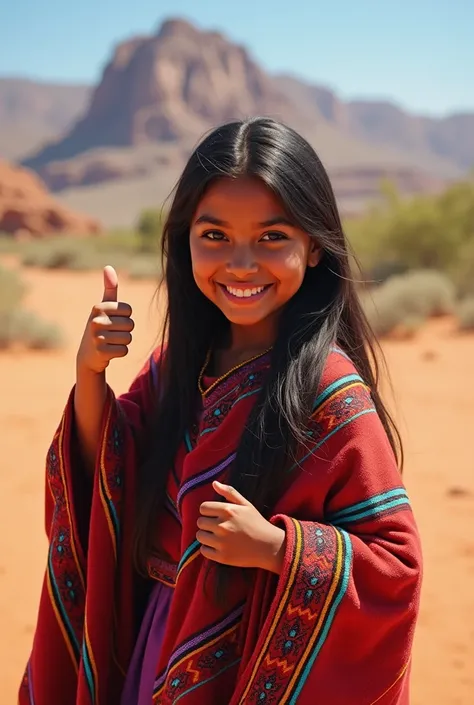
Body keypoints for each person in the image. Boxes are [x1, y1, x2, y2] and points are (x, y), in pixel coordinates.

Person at [20, 117, 422, 705]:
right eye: (214, 236)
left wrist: (276, 548)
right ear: (184, 240)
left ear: (313, 246)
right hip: (151, 640)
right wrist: (90, 375)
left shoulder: (331, 393)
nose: (239, 264)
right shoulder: (175, 366)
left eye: (271, 238)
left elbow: (396, 568)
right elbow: (106, 473)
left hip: (246, 668)